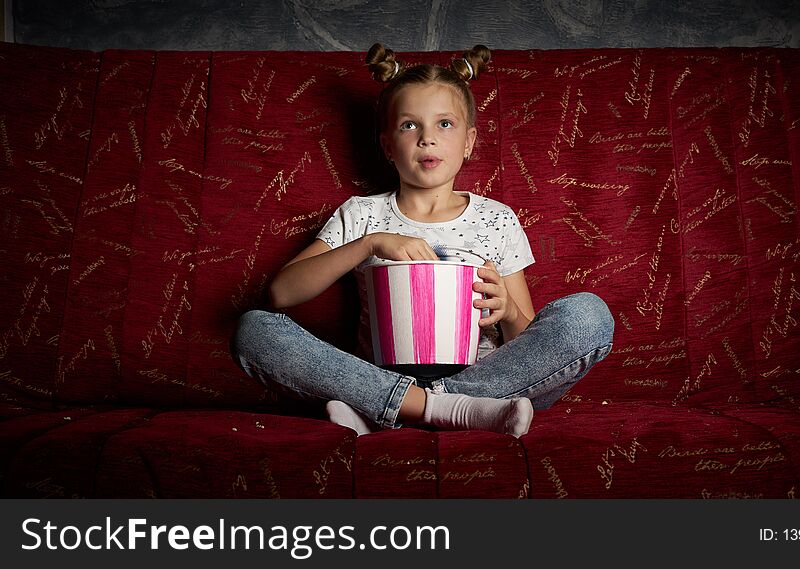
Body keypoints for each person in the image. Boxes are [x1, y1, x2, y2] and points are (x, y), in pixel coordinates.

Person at [231, 43, 614, 438]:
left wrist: (511, 313)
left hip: (488, 380)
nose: (427, 139)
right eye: (409, 125)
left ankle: (399, 409)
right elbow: (280, 293)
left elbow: (528, 343)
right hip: (380, 375)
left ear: (468, 142)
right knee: (253, 329)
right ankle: (445, 408)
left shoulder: (496, 218)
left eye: (444, 124)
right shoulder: (363, 216)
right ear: (387, 145)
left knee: (589, 315)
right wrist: (369, 244)